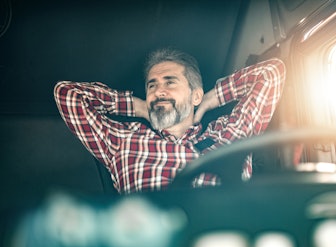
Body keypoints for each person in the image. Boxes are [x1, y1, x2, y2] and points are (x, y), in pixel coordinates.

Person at [54, 48, 286, 193]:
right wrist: (138, 106)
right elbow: (67, 94)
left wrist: (211, 98)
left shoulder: (230, 133)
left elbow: (272, 72)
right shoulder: (123, 141)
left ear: (194, 94)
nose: (158, 91)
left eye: (170, 82)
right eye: (152, 85)